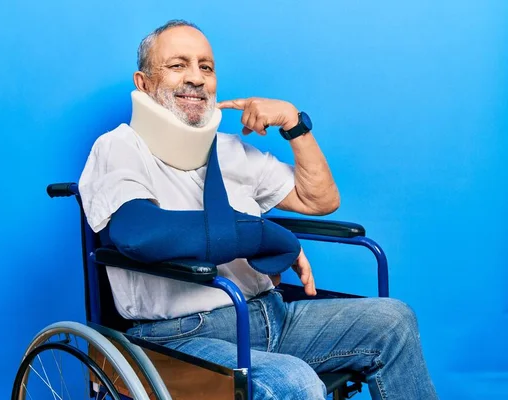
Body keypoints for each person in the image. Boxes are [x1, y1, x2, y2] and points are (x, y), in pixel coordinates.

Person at [79, 19, 438, 400]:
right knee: (293, 381)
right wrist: (263, 235)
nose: (196, 78)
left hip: (272, 314)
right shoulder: (119, 147)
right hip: (183, 334)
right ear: (144, 83)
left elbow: (320, 200)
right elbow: (139, 233)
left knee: (392, 320)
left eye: (206, 67)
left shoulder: (231, 149)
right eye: (178, 65)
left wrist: (294, 124)